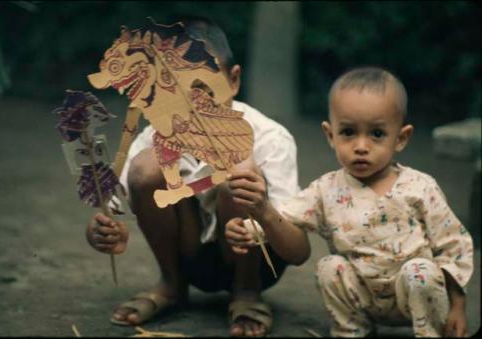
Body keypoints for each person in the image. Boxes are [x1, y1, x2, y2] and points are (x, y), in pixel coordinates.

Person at [86, 16, 300, 337]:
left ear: (234, 80)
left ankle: (246, 292)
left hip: (257, 260)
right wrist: (101, 230)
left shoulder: (272, 137)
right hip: (191, 257)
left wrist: (260, 209)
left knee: (239, 174)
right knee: (147, 167)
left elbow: (293, 243)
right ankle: (171, 284)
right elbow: (111, 209)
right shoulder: (156, 135)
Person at [225, 66, 474, 337]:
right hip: (362, 296)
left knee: (420, 271)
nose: (361, 146)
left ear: (401, 138)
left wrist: (458, 307)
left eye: (377, 134)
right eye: (348, 132)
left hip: (413, 293)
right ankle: (352, 330)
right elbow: (285, 215)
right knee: (329, 267)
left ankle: (429, 332)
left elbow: (454, 246)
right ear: (330, 135)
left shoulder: (419, 187)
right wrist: (248, 229)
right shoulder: (325, 189)